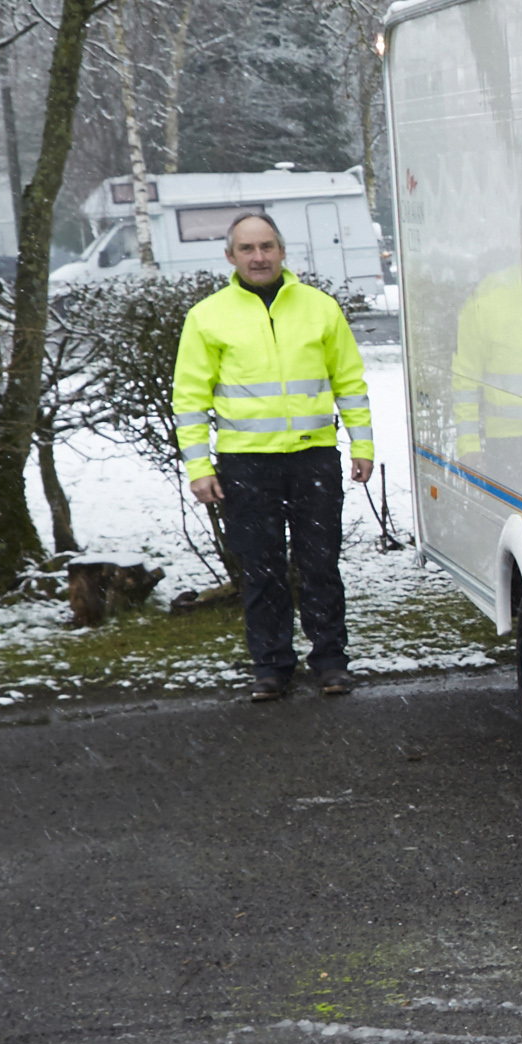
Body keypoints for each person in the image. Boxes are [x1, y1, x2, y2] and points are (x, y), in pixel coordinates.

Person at [173, 210, 375, 700]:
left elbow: (349, 383)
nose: (258, 257)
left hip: (314, 459)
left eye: (267, 247)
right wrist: (199, 468)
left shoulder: (320, 308)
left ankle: (330, 662)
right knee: (262, 571)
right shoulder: (207, 317)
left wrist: (362, 444)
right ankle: (271, 667)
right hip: (247, 465)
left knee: (321, 565)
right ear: (230, 257)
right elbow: (190, 398)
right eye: (247, 249)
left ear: (283, 252)